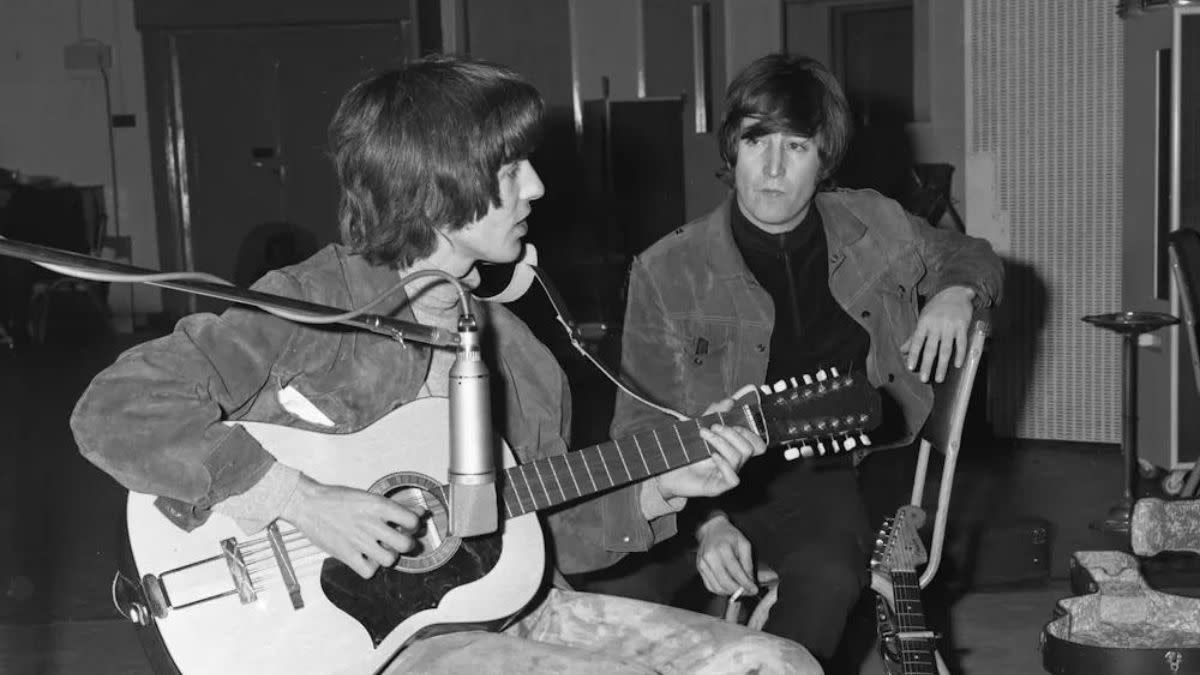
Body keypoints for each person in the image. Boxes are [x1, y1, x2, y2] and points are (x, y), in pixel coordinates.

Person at [69, 55, 820, 674]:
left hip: (506, 610)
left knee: (778, 664)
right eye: (511, 167)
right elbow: (114, 411)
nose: (537, 187)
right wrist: (299, 499)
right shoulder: (311, 305)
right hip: (365, 646)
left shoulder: (520, 357)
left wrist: (660, 486)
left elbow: (547, 535)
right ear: (439, 182)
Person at [611, 53, 1003, 671]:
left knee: (826, 572)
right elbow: (638, 428)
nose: (771, 168)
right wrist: (707, 522)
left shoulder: (872, 223)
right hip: (695, 482)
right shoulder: (666, 270)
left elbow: (970, 253)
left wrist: (958, 291)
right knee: (606, 591)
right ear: (732, 149)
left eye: (795, 146)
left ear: (824, 159)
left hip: (830, 472)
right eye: (754, 141)